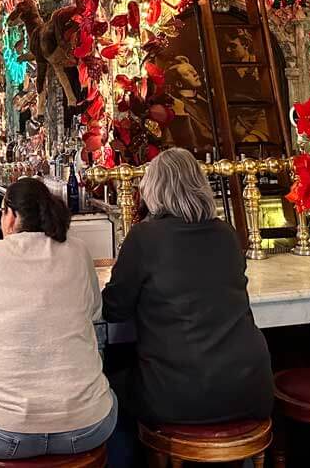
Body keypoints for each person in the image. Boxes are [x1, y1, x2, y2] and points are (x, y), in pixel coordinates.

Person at [0, 177, 116, 463]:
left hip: (2, 433)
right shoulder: (79, 252)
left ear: (12, 216)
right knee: (109, 399)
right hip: (85, 427)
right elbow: (95, 313)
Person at [101, 148, 273, 430]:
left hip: (177, 395)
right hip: (249, 388)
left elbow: (114, 309)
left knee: (104, 394)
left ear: (153, 190)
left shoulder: (145, 237)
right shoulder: (227, 233)